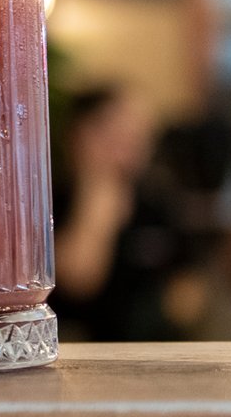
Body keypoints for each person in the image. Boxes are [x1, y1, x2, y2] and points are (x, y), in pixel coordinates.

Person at [53, 87, 203, 340]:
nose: (127, 150)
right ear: (77, 136)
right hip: (76, 349)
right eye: (113, 136)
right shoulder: (50, 201)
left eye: (137, 137)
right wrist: (95, 209)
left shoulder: (156, 201)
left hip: (153, 349)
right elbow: (78, 282)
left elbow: (189, 283)